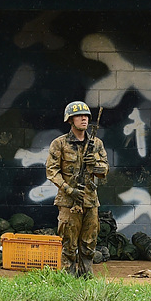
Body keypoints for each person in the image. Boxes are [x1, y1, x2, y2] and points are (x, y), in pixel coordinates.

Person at [46, 101, 109, 277]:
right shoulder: (60, 144)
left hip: (90, 200)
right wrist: (68, 189)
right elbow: (51, 171)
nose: (84, 119)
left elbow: (104, 169)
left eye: (86, 116)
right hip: (69, 201)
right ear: (70, 120)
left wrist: (95, 165)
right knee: (69, 244)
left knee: (89, 243)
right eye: (79, 116)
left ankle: (86, 279)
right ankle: (68, 280)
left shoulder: (96, 144)